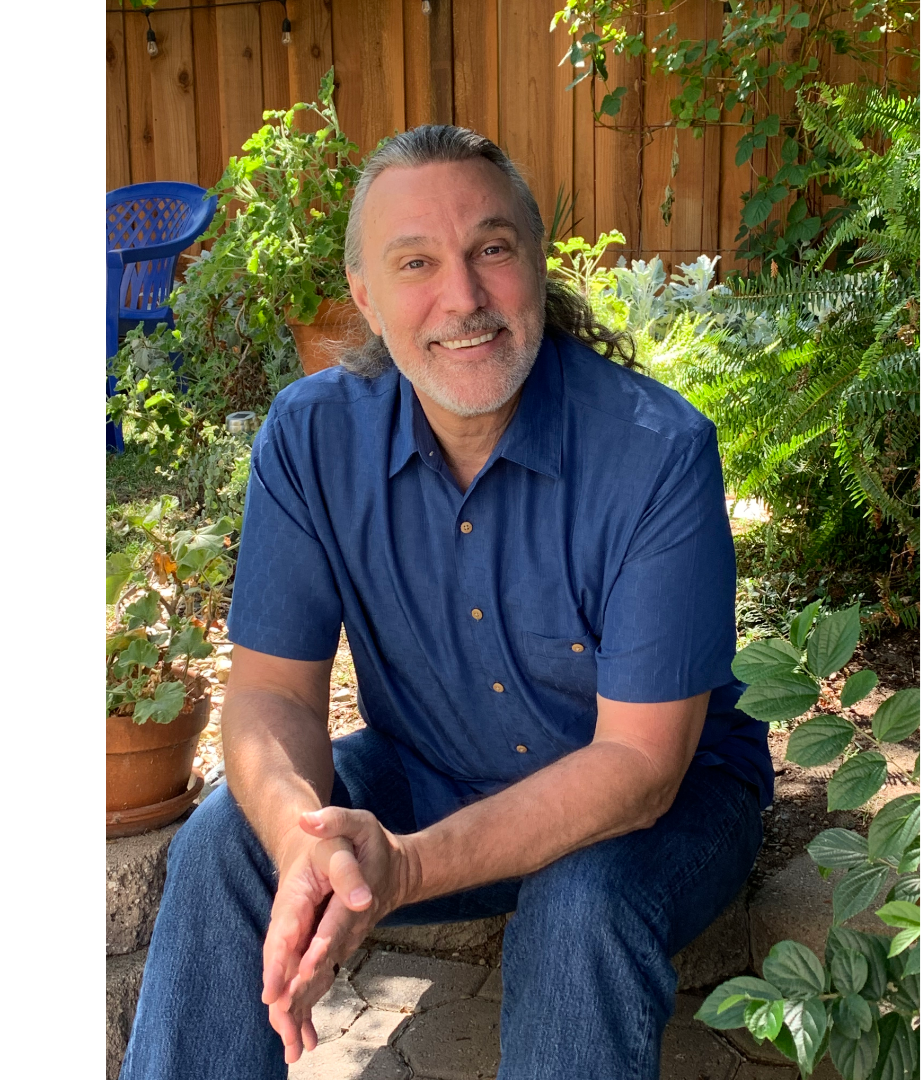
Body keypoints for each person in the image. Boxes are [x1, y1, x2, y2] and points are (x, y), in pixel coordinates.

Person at [120, 126, 772, 1080]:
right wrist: (305, 840)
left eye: (492, 251)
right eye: (416, 262)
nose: (463, 298)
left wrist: (406, 867)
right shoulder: (312, 441)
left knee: (578, 902)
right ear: (366, 299)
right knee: (231, 838)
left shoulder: (655, 455)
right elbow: (271, 699)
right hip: (428, 770)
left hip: (665, 811)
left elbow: (639, 769)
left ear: (537, 267)